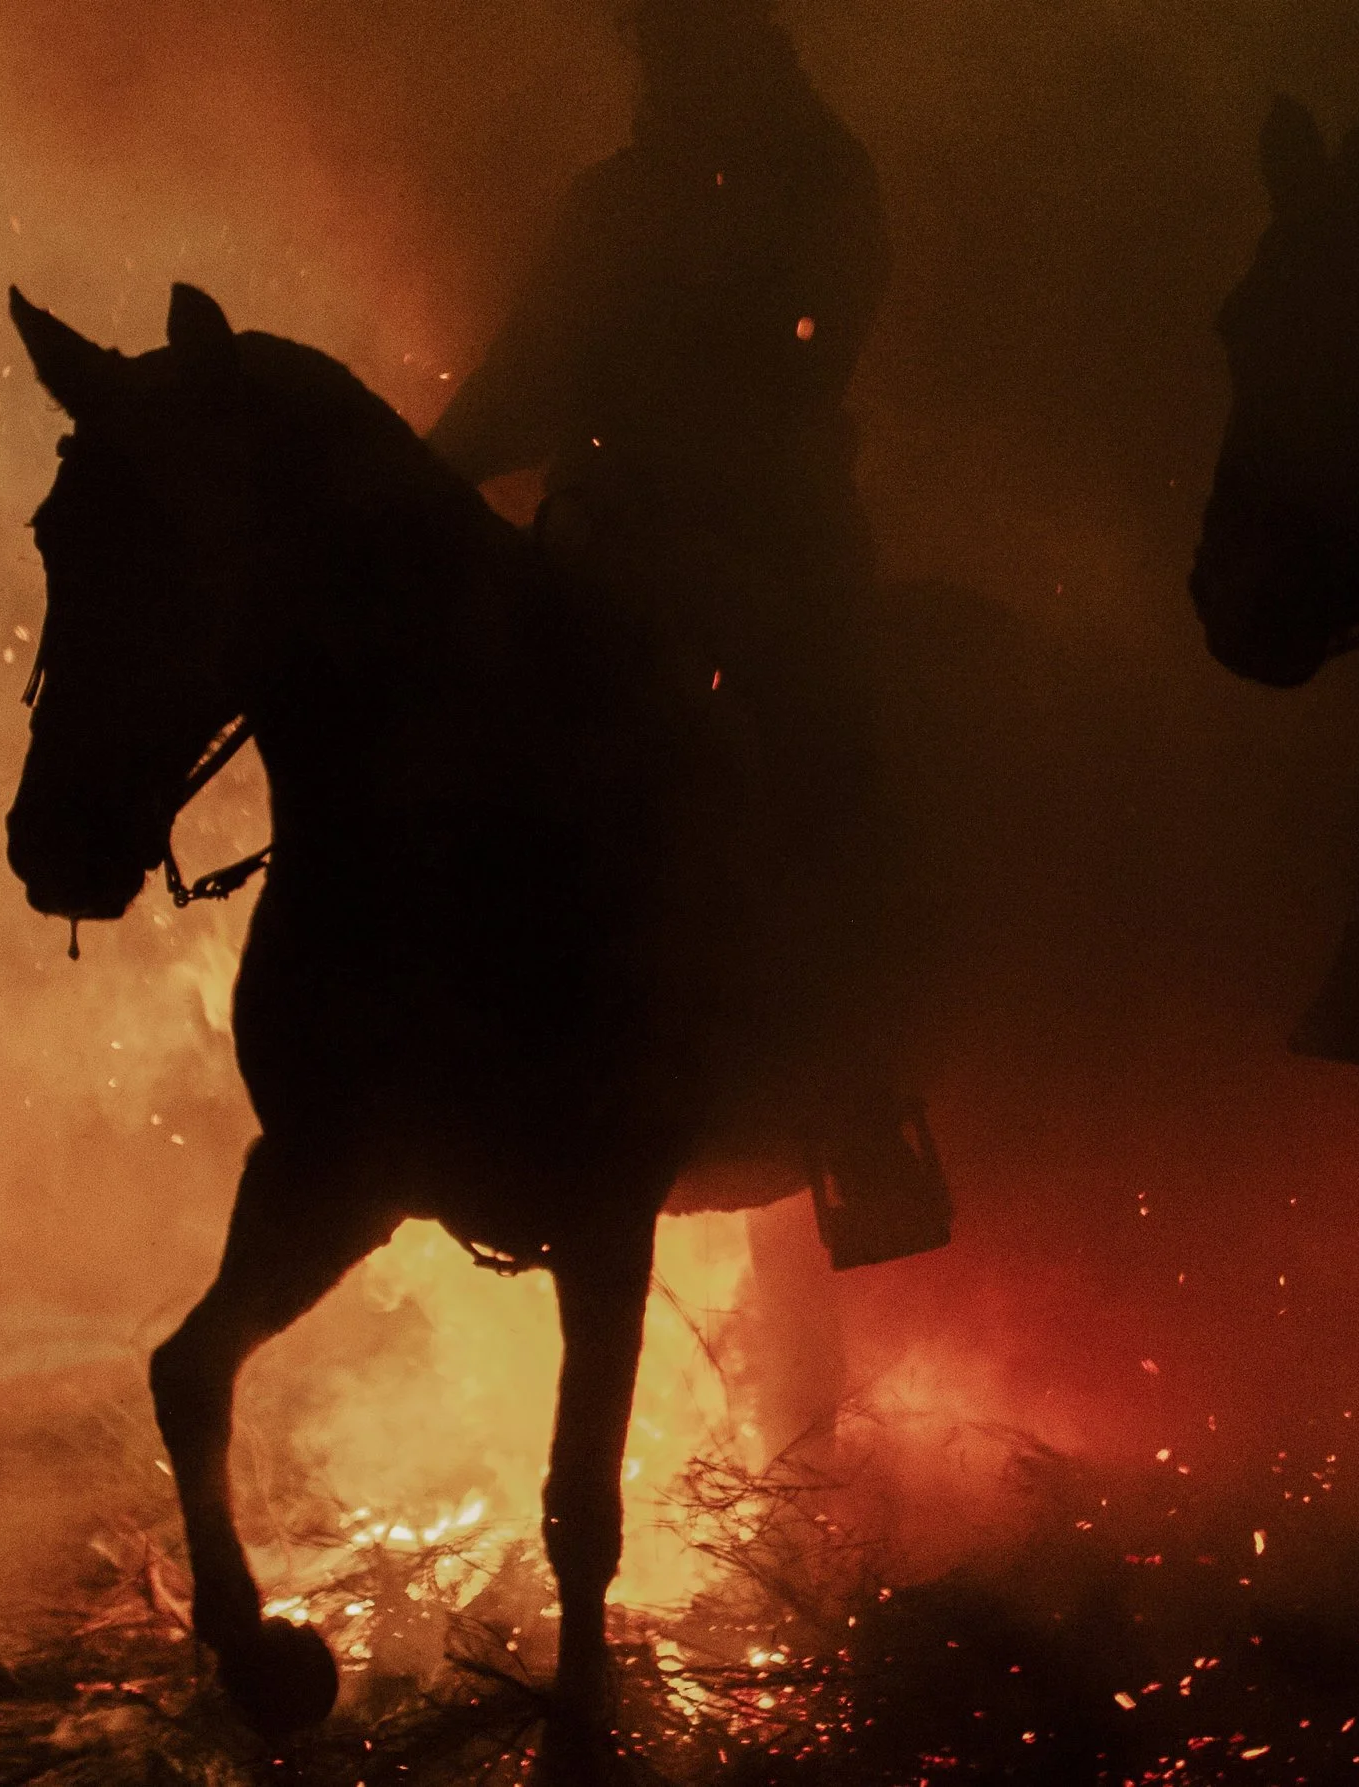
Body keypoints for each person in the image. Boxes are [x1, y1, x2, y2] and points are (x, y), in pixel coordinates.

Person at [431, 0, 945, 1273]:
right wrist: (419, 474)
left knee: (814, 769)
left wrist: (694, 428)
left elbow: (813, 345)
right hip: (611, 537)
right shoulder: (609, 201)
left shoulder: (816, 178)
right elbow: (524, 366)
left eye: (675, 40)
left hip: (768, 544)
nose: (656, 66)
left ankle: (851, 1101)